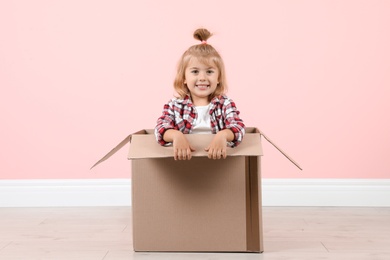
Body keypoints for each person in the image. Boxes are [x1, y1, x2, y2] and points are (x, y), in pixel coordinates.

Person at [155, 28, 245, 161]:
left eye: (209, 72)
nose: (202, 78)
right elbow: (160, 128)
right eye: (195, 72)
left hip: (218, 163)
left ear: (218, 77)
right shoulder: (175, 105)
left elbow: (238, 127)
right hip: (185, 164)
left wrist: (223, 135)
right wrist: (176, 136)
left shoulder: (225, 103)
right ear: (184, 78)